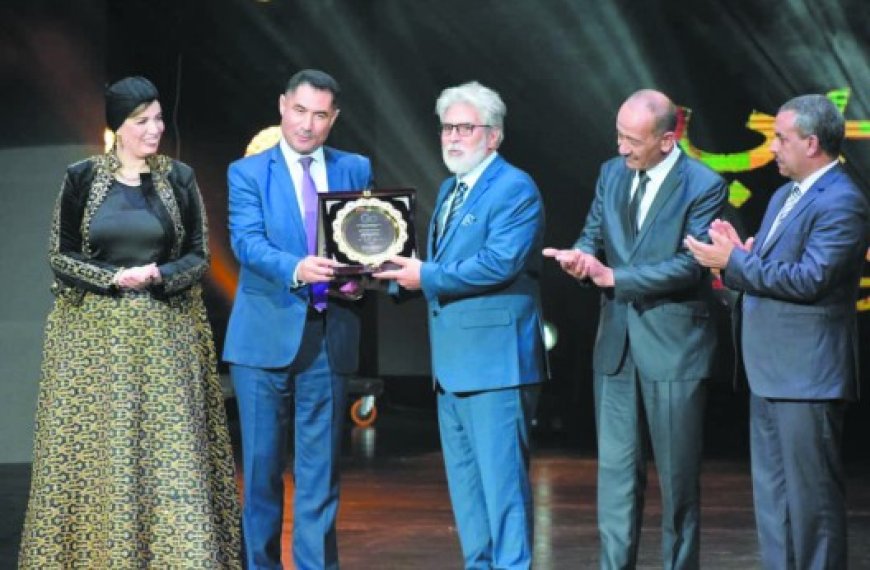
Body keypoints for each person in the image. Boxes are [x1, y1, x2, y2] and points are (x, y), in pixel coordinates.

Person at [18, 76, 241, 568]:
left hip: (164, 338)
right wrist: (115, 278)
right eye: (143, 121)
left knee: (169, 454)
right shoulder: (81, 178)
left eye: (159, 118)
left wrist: (158, 274)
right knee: (103, 452)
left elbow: (199, 257)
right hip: (94, 341)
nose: (155, 129)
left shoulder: (178, 178)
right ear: (119, 127)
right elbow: (61, 254)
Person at [543, 89, 728, 569]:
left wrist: (615, 278)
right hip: (617, 346)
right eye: (618, 136)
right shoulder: (611, 173)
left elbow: (691, 265)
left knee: (678, 481)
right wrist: (582, 259)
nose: (622, 149)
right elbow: (593, 233)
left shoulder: (703, 184)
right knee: (616, 476)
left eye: (633, 140)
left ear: (668, 140)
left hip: (674, 347)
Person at [685, 94, 869, 569]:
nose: (772, 148)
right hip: (769, 370)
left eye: (781, 139)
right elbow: (766, 269)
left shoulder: (843, 201)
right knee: (775, 501)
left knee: (812, 505)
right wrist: (736, 259)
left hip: (807, 375)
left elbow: (812, 279)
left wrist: (736, 262)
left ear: (812, 143)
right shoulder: (784, 197)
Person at [374, 81, 547, 569]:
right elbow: (443, 265)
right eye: (447, 128)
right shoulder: (452, 188)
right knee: (469, 496)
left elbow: (498, 263)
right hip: (453, 367)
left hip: (496, 364)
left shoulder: (515, 187)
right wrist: (388, 277)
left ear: (493, 136)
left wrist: (422, 275)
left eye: (464, 128)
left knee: (503, 491)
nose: (452, 138)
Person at [223, 69, 373, 570]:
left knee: (320, 476)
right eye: (300, 110)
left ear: (333, 119)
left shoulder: (355, 167)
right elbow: (246, 243)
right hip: (263, 341)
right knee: (262, 473)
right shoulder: (247, 173)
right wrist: (297, 268)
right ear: (283, 106)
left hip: (330, 338)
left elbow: (368, 244)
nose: (308, 125)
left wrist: (359, 279)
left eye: (320, 115)